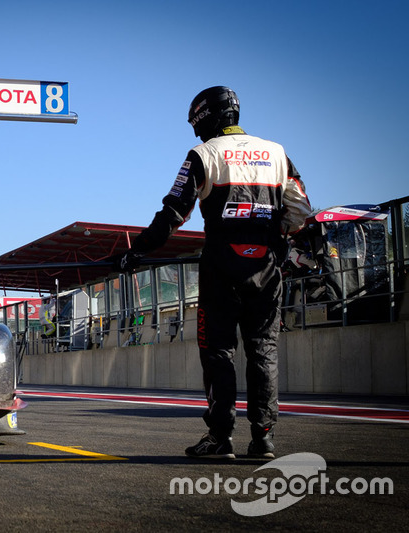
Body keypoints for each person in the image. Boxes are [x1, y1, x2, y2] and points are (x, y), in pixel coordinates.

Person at [115, 86, 311, 459]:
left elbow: (174, 212)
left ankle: (221, 437)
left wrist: (136, 250)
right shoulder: (277, 153)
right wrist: (279, 237)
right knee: (264, 352)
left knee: (218, 352)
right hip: (267, 266)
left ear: (204, 118)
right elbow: (300, 209)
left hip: (222, 266)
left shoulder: (203, 154)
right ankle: (264, 437)